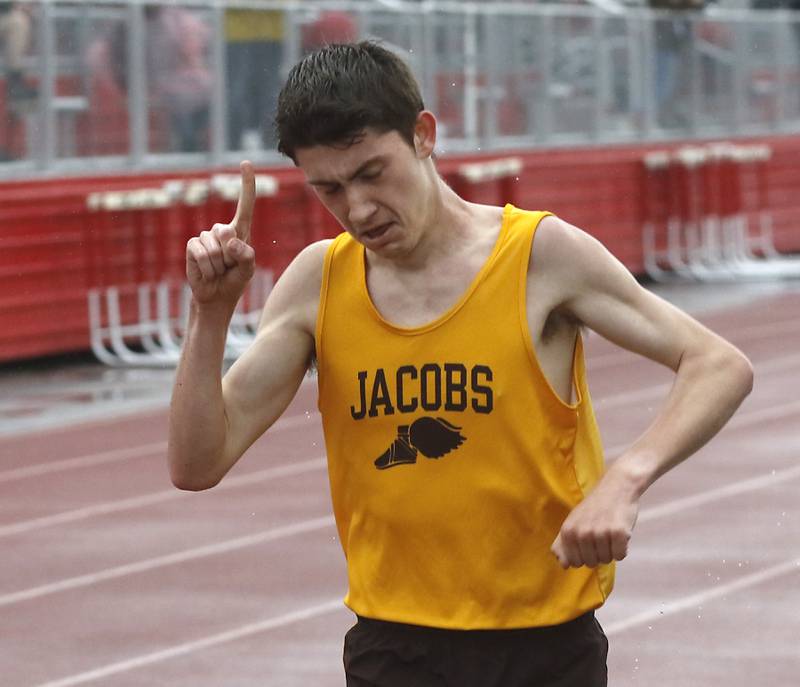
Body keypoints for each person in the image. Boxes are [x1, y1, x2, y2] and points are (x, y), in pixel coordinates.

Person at [168, 41, 753, 686]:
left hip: (542, 645)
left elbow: (716, 363)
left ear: (423, 135)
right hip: (393, 647)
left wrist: (624, 481)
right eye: (329, 188)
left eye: (371, 173)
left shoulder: (537, 257)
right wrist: (210, 314)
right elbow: (198, 463)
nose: (358, 209)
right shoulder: (319, 283)